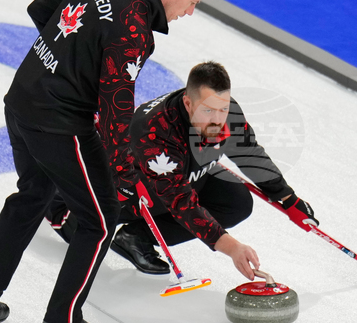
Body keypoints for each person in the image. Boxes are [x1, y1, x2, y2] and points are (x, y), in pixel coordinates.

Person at [0, 0, 214, 323]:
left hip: (23, 100)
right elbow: (115, 107)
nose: (190, 12)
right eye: (193, 2)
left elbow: (41, 8)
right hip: (59, 123)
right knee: (100, 220)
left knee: (32, 197)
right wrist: (125, 172)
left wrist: (64, 64)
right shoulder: (134, 30)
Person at [110, 61, 317, 279]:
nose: (218, 120)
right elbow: (181, 202)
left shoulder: (226, 113)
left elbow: (249, 153)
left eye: (223, 109)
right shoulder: (156, 132)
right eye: (208, 110)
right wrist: (232, 247)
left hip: (183, 176)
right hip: (125, 196)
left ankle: (136, 236)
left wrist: (287, 197)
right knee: (93, 221)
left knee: (236, 202)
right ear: (188, 103)